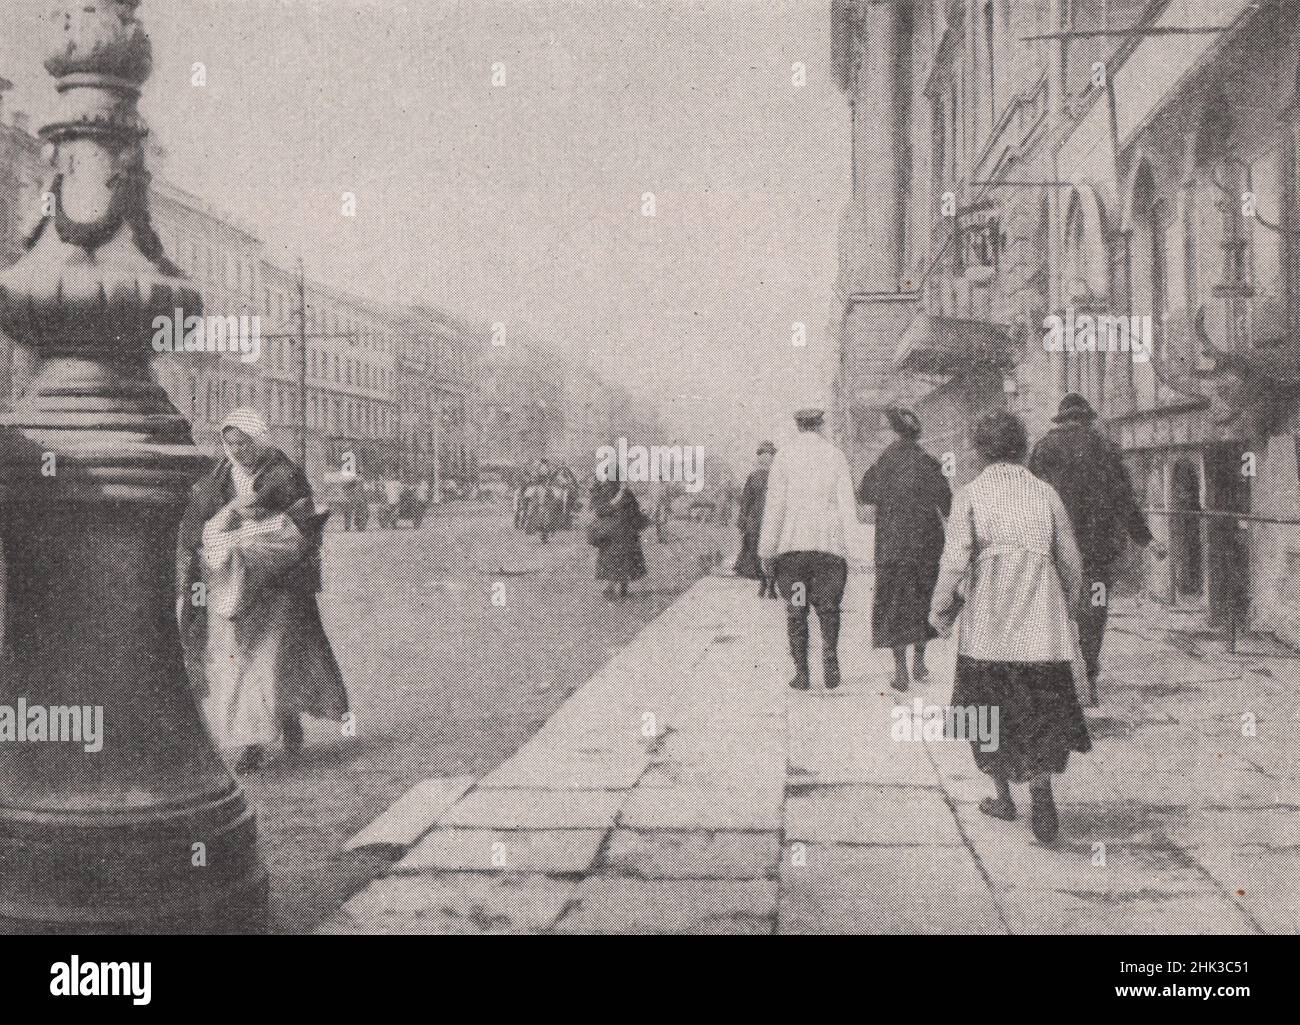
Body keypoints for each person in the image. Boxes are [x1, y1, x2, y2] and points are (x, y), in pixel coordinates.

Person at [929, 409, 1089, 844]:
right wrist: (1068, 610)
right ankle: (1041, 786)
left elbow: (954, 561)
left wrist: (941, 610)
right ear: (1021, 448)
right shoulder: (1046, 493)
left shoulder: (971, 494)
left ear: (980, 451)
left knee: (988, 710)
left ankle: (1002, 795)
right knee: (1041, 708)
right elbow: (1071, 560)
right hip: (1042, 627)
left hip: (989, 629)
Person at [177, 409, 348, 774]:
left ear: (258, 441)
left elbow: (304, 528)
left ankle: (254, 740)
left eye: (243, 443)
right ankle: (264, 728)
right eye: (230, 443)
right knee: (236, 662)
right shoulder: (218, 478)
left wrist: (256, 525)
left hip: (275, 586)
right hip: (230, 586)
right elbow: (198, 526)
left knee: (267, 660)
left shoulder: (283, 474)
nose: (237, 451)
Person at [1029, 392, 1156, 698]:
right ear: (1087, 419)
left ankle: (1058, 681)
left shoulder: (1043, 448)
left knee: (1056, 610)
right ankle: (1089, 675)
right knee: (1094, 610)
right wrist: (1146, 538)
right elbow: (1124, 497)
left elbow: (1028, 497)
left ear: (1062, 420)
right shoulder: (1105, 448)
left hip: (1054, 551)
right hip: (1097, 552)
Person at [758, 408, 861, 691]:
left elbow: (775, 508)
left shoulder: (784, 457)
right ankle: (830, 655)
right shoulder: (836, 456)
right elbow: (846, 506)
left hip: (793, 553)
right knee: (828, 608)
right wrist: (853, 550)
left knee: (797, 608)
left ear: (798, 426)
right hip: (828, 550)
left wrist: (766, 551)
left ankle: (801, 672)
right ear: (820, 425)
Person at [858, 409, 952, 691]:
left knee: (895, 605)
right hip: (926, 547)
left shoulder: (884, 461)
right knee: (923, 601)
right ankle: (920, 662)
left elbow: (864, 495)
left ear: (895, 432)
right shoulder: (929, 462)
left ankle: (900, 669)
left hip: (892, 548)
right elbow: (946, 504)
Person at [590, 472, 649, 599]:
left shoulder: (604, 491)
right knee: (626, 560)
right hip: (626, 531)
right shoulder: (626, 493)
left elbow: (600, 510)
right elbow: (635, 512)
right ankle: (623, 586)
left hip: (609, 532)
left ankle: (611, 586)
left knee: (611, 560)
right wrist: (642, 520)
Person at [735, 441, 778, 597]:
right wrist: (742, 522)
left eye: (769, 455)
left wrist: (742, 522)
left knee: (766, 553)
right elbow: (745, 501)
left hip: (764, 521)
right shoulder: (754, 477)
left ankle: (769, 583)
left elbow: (745, 502)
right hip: (761, 521)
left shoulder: (777, 476)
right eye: (763, 455)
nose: (766, 459)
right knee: (760, 553)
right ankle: (765, 582)